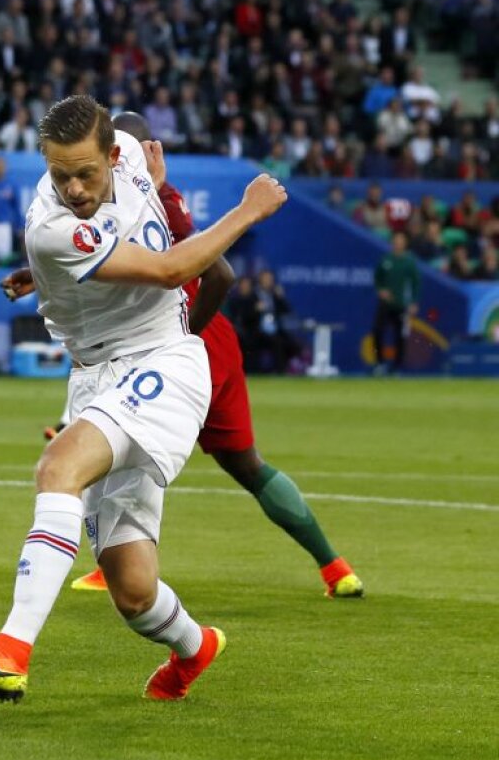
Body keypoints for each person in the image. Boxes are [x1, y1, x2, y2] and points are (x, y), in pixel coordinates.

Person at [0, 96, 287, 703]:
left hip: (163, 364)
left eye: (85, 172)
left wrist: (227, 208)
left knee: (57, 468)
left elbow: (182, 270)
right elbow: (166, 267)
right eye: (59, 173)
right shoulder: (50, 228)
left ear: (111, 152)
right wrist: (248, 210)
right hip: (97, 378)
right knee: (132, 589)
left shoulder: (130, 158)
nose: (73, 186)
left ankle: (10, 651)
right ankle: (195, 647)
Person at [28, 112, 361, 600]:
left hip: (181, 341)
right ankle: (334, 566)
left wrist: (181, 338)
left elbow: (217, 274)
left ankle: (116, 567)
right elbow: (95, 259)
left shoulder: (157, 200)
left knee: (123, 450)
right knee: (246, 465)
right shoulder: (119, 201)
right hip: (194, 342)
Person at [372, 231, 420, 374]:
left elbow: (415, 283)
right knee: (377, 331)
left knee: (400, 336)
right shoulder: (386, 260)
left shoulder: (409, 262)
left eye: (401, 240)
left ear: (405, 243)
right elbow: (377, 278)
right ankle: (379, 363)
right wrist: (381, 290)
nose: (398, 243)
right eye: (396, 240)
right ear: (392, 242)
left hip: (401, 305)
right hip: (385, 304)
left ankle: (396, 367)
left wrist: (413, 302)